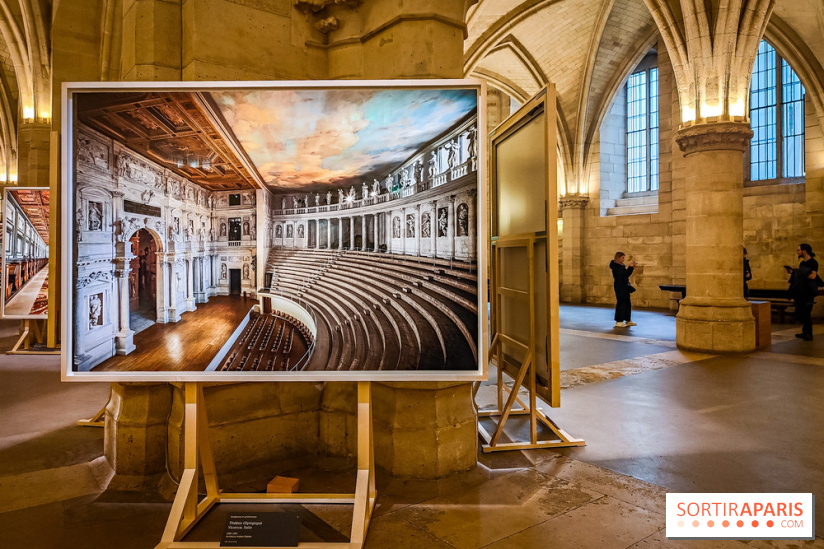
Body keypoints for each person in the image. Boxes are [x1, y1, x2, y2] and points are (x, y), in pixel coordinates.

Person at [785, 243, 820, 341]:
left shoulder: (813, 262)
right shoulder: (802, 263)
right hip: (801, 290)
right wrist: (793, 272)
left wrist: (798, 272)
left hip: (809, 291)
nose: (797, 252)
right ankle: (804, 332)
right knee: (802, 313)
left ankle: (809, 333)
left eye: (798, 250)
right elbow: (800, 276)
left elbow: (812, 276)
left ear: (804, 251)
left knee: (807, 312)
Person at [610, 252, 637, 327]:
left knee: (627, 303)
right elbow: (624, 274)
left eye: (624, 257)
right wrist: (631, 267)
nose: (623, 259)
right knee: (621, 303)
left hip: (624, 286)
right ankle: (619, 321)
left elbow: (625, 275)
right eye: (622, 257)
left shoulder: (622, 265)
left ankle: (627, 320)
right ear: (618, 258)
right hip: (619, 286)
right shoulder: (615, 266)